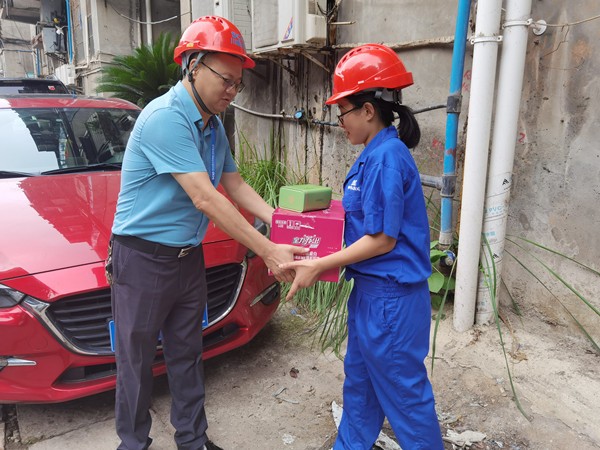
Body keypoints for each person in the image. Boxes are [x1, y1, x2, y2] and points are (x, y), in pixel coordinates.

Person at [108, 16, 307, 450]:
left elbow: (234, 184)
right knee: (135, 361)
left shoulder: (213, 125)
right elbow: (205, 197)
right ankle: (133, 444)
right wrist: (268, 250)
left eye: (238, 83)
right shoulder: (165, 118)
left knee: (187, 354)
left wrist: (281, 222)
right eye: (225, 80)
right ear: (193, 66)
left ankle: (193, 440)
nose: (232, 91)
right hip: (142, 259)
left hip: (186, 258)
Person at [279, 44, 445, 449]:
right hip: (372, 296)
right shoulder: (374, 155)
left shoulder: (387, 157)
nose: (341, 123)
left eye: (343, 112)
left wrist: (320, 264)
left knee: (405, 398)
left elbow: (383, 238)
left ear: (368, 110)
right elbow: (365, 219)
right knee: (361, 387)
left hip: (390, 300)